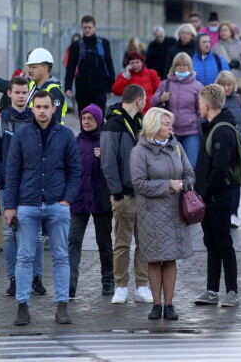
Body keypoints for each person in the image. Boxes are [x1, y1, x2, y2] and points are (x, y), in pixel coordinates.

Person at [4, 90, 81, 326]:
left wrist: (67, 199)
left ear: (53, 108)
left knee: (60, 256)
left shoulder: (66, 135)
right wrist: (9, 207)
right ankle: (22, 307)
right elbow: (12, 172)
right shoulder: (21, 136)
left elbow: (75, 170)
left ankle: (62, 306)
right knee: (24, 257)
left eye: (46, 107)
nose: (42, 111)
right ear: (32, 108)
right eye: (38, 107)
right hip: (27, 204)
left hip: (57, 204)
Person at [130, 107, 195, 321]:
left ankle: (169, 304)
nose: (171, 128)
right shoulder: (140, 151)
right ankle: (156, 304)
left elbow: (189, 173)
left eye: (170, 124)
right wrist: (168, 185)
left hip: (174, 211)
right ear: (155, 126)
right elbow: (139, 184)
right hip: (151, 213)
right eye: (166, 124)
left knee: (169, 259)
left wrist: (184, 185)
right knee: (154, 259)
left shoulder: (176, 146)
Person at [0, 77, 46, 294]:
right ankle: (13, 279)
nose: (21, 96)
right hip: (7, 186)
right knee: (10, 235)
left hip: (33, 186)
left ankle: (37, 278)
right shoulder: (0, 124)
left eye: (24, 92)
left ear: (28, 95)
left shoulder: (39, 122)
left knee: (37, 234)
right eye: (17, 92)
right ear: (9, 94)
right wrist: (4, 173)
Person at [100, 85, 153, 305]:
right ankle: (121, 286)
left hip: (144, 193)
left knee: (145, 243)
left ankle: (142, 285)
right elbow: (108, 162)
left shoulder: (142, 123)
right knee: (122, 243)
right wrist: (117, 193)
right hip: (125, 194)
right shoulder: (113, 124)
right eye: (145, 99)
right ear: (139, 100)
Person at [193, 85, 239, 308]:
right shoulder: (211, 127)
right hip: (208, 199)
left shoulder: (222, 130)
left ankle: (232, 292)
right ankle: (212, 291)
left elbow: (220, 170)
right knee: (211, 244)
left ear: (206, 105)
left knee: (224, 244)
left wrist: (204, 193)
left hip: (218, 199)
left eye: (199, 103)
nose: (198, 106)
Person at [68, 104, 114, 297]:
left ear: (98, 121)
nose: (86, 122)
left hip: (101, 200)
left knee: (104, 243)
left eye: (91, 119)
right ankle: (69, 284)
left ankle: (108, 280)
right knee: (73, 240)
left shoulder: (106, 141)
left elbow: (115, 170)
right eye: (84, 118)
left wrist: (105, 157)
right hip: (78, 200)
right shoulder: (75, 142)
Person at [216, 71, 241, 228]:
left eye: (229, 84)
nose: (226, 88)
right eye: (223, 84)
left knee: (235, 180)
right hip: (219, 146)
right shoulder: (214, 101)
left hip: (237, 147)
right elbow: (203, 121)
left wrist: (240, 139)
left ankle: (234, 213)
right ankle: (221, 213)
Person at [151, 53, 203, 168]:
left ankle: (189, 186)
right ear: (173, 67)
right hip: (170, 131)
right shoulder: (165, 84)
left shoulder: (197, 86)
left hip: (191, 132)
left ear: (189, 67)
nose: (181, 68)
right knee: (171, 165)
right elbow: (152, 104)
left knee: (191, 164)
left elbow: (201, 111)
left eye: (185, 65)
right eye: (178, 65)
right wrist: (161, 98)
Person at [65, 15, 116, 114]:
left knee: (99, 116)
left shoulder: (103, 43)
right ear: (82, 28)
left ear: (94, 27)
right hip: (82, 87)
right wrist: (68, 87)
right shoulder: (76, 45)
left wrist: (111, 87)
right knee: (84, 116)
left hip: (100, 86)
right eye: (85, 27)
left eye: (89, 27)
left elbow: (109, 64)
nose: (87, 30)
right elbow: (70, 67)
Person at [26, 48, 68, 125]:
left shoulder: (54, 91)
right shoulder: (32, 86)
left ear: (45, 68)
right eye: (29, 67)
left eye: (34, 67)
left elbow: (54, 123)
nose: (30, 70)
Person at [214, 22, 241, 96]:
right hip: (223, 85)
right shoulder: (216, 47)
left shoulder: (240, 44)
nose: (223, 32)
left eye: (225, 30)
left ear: (231, 32)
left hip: (238, 82)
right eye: (221, 31)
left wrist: (238, 64)